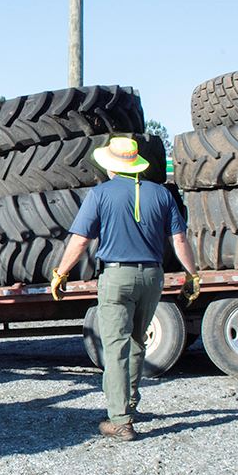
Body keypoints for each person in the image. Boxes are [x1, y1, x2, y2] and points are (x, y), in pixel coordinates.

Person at [50, 137, 201, 441]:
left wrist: (60, 273)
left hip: (117, 277)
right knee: (136, 341)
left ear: (111, 166)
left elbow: (80, 240)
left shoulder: (100, 194)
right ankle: (129, 403)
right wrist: (192, 275)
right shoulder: (161, 194)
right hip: (152, 277)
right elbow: (180, 240)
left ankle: (119, 419)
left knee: (116, 347)